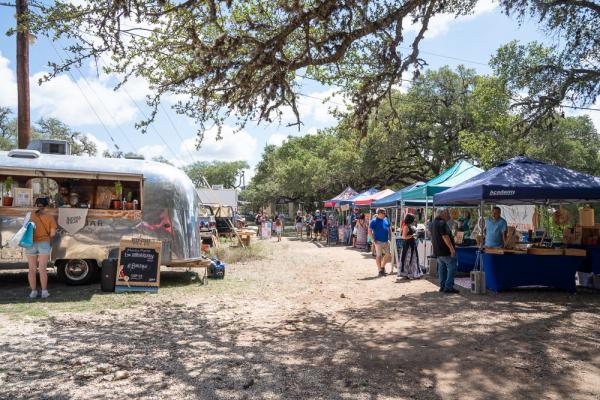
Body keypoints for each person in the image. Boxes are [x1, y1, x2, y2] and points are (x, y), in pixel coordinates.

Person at [27, 197, 57, 299]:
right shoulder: (50, 217)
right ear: (46, 206)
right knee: (42, 269)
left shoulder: (31, 216)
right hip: (44, 243)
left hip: (30, 243)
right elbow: (52, 234)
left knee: (31, 269)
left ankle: (33, 292)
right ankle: (44, 292)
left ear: (36, 205)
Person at [431, 208, 459, 294]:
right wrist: (451, 248)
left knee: (442, 269)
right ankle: (448, 287)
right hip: (445, 250)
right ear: (442, 214)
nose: (449, 215)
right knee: (452, 267)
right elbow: (445, 237)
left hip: (438, 251)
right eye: (447, 213)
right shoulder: (442, 223)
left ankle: (443, 286)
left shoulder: (433, 223)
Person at [397, 213, 423, 281]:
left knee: (413, 259)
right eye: (413, 218)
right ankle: (407, 273)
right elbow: (404, 237)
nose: (414, 220)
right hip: (408, 245)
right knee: (408, 259)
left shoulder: (410, 226)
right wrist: (412, 236)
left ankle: (413, 273)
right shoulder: (406, 226)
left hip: (412, 244)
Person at [368, 208, 391, 277]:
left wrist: (390, 236)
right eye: (384, 213)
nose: (385, 214)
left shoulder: (386, 219)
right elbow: (369, 230)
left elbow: (389, 227)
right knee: (379, 256)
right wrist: (372, 239)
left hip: (386, 240)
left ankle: (382, 266)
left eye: (385, 213)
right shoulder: (374, 221)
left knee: (388, 254)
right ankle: (380, 270)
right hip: (378, 241)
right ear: (379, 213)